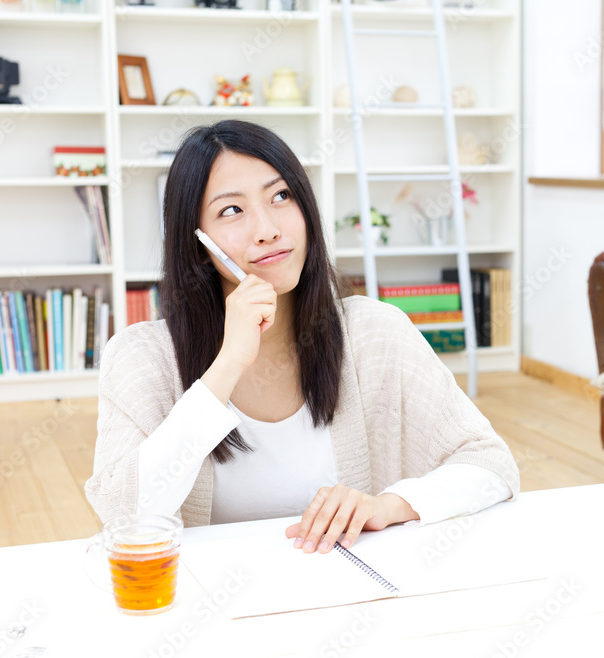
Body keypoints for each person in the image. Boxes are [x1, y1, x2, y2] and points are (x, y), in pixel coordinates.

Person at [84, 120, 519, 555]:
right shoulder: (142, 358)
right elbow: (126, 518)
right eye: (231, 210)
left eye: (281, 196)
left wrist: (390, 505)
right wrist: (228, 363)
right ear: (197, 243)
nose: (268, 229)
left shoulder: (374, 333)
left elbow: (492, 464)